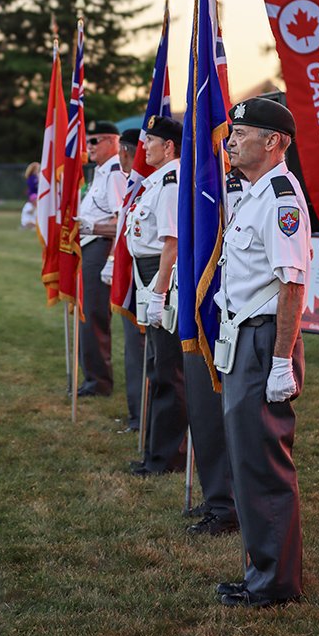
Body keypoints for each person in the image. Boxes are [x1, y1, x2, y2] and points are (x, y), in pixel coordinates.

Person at [213, 97, 311, 607]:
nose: (231, 142)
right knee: (247, 460)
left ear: (273, 142)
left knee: (264, 465)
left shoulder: (279, 199)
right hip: (244, 334)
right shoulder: (253, 193)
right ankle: (262, 571)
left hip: (264, 339)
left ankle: (274, 582)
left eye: (241, 134)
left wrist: (279, 361)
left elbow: (291, 286)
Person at [183, 170, 245, 536]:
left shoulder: (270, 195)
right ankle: (217, 496)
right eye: (230, 140)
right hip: (215, 308)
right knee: (203, 410)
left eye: (238, 140)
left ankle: (229, 503)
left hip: (241, 320)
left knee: (234, 420)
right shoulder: (212, 178)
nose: (232, 144)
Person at [125, 116, 188, 475]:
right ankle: (157, 452)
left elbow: (172, 243)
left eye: (150, 141)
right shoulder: (157, 181)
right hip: (148, 273)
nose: (143, 146)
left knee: (167, 369)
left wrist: (159, 293)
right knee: (157, 365)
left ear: (168, 147)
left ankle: (167, 458)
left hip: (161, 276)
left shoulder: (170, 182)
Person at [75, 120, 126, 398]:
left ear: (113, 142)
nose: (89, 146)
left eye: (95, 141)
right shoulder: (101, 171)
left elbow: (122, 220)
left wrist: (92, 228)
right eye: (88, 141)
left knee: (94, 314)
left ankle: (99, 381)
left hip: (101, 246)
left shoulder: (115, 172)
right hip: (90, 245)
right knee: (87, 313)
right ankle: (92, 377)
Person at [116, 128, 146, 431]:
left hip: (151, 277)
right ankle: (139, 414)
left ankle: (144, 416)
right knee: (135, 350)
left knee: (144, 352)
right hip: (137, 270)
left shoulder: (163, 183)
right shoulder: (145, 183)